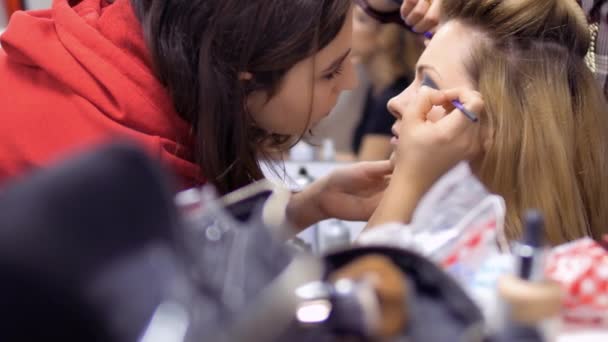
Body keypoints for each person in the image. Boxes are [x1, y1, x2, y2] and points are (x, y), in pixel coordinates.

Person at [0, 0, 477, 232]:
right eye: (330, 72)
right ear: (244, 77)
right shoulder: (105, 173)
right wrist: (409, 188)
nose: (350, 83)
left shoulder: (149, 56)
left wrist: (299, 208)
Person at [368, 0, 608, 245]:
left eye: (429, 84)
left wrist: (406, 186)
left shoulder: (495, 272)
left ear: (502, 126)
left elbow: (355, 279)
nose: (395, 102)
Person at [347, 5, 422, 161]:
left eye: (360, 19)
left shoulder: (392, 97)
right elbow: (358, 161)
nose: (348, 26)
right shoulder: (375, 90)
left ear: (386, 35)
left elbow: (367, 165)